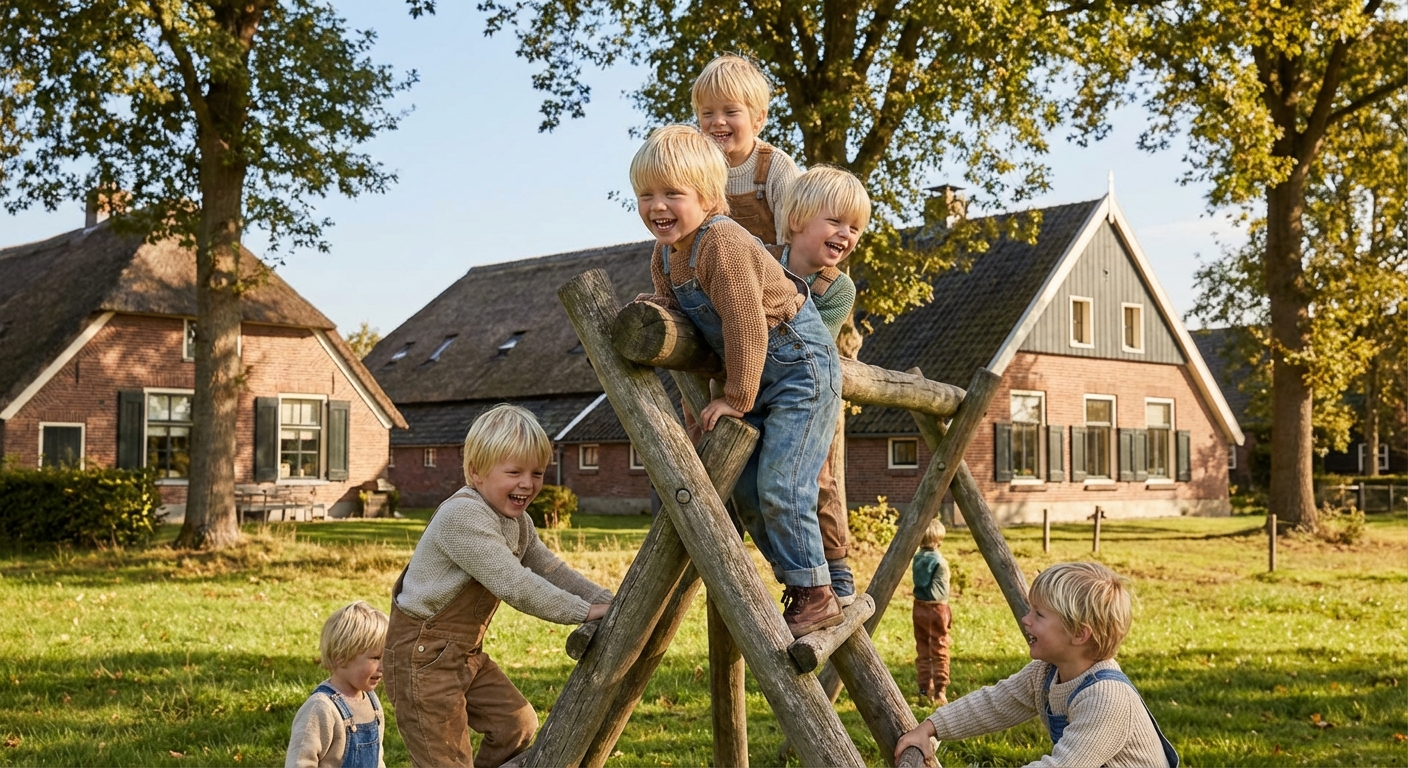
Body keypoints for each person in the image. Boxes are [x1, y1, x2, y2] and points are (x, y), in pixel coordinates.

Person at [631, 124, 843, 638]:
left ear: (706, 196)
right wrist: (654, 311)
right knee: (746, 490)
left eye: (672, 194)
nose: (657, 206)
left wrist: (735, 399)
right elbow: (683, 308)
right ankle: (799, 582)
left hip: (799, 369)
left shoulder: (722, 241)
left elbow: (746, 324)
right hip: (758, 372)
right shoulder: (665, 254)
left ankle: (819, 593)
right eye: (645, 196)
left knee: (781, 482)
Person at [383, 404, 613, 768]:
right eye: (514, 472)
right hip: (421, 660)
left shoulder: (516, 521)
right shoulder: (462, 516)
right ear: (476, 472)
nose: (528, 483)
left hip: (464, 654)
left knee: (516, 725)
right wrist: (583, 612)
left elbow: (550, 569)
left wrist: (608, 601)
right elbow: (515, 584)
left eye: (537, 473)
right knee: (445, 759)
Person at [894, 561, 1180, 768]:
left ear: (1079, 633)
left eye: (1039, 614)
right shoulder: (1046, 673)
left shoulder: (1106, 700)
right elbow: (994, 703)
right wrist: (931, 727)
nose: (1025, 619)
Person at [770, 165, 869, 604]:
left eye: (855, 228)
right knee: (764, 483)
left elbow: (811, 344)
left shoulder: (837, 288)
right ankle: (793, 571)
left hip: (808, 394)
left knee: (819, 480)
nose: (845, 234)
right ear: (796, 221)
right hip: (764, 390)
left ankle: (838, 570)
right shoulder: (763, 264)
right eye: (835, 222)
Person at [692, 54, 801, 245]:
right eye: (707, 113)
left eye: (730, 112)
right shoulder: (694, 169)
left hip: (772, 273)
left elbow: (791, 244)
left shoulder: (777, 168)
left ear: (758, 118)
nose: (717, 121)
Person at [287, 601, 389, 768]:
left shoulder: (372, 703)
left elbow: (377, 760)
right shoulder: (321, 708)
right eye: (376, 658)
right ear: (341, 657)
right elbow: (300, 762)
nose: (383, 667)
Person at [911, 518, 951, 705]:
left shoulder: (917, 558)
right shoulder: (939, 561)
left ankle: (924, 689)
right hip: (937, 608)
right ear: (937, 540)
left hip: (919, 607)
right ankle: (940, 690)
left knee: (923, 648)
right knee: (940, 647)